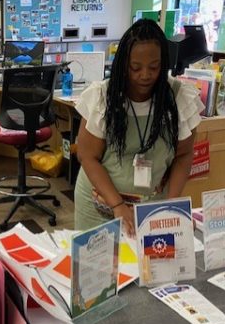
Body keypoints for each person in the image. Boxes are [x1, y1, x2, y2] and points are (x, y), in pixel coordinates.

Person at [74, 19, 204, 236]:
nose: (145, 75)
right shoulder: (103, 97)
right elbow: (88, 157)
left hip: (152, 207)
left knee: (149, 266)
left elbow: (184, 155)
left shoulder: (179, 99)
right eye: (135, 68)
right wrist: (117, 205)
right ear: (124, 64)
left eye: (154, 67)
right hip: (99, 205)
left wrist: (170, 207)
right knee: (101, 265)